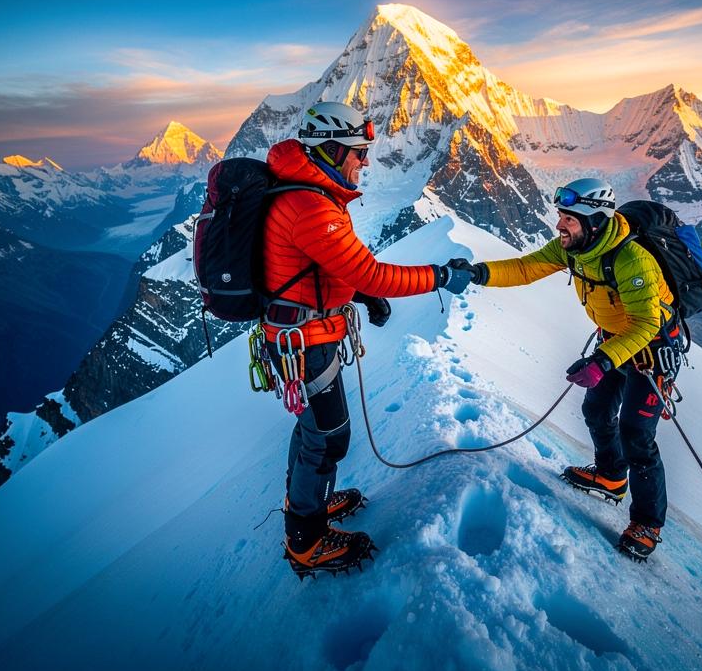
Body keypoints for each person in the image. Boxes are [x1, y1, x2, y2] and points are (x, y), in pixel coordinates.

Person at [261, 100, 472, 578]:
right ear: (333, 149)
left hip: (301, 334)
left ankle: (306, 501)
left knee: (315, 428)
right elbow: (371, 272)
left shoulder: (307, 193)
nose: (366, 161)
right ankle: (306, 538)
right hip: (306, 341)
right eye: (359, 151)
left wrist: (357, 295)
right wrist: (440, 275)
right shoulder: (312, 206)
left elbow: (317, 269)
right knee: (329, 437)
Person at [447, 178, 679, 560]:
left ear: (594, 221)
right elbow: (526, 268)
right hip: (615, 340)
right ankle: (611, 476)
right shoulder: (574, 248)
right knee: (597, 410)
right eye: (561, 216)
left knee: (636, 433)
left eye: (569, 219)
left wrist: (602, 361)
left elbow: (645, 325)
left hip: (651, 350)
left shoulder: (632, 259)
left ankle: (648, 523)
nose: (559, 225)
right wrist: (477, 273)